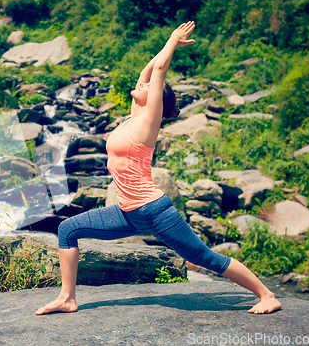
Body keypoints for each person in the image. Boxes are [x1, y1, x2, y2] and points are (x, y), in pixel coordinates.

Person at [35, 21, 282, 316]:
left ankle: (267, 295)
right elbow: (149, 72)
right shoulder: (132, 117)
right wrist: (161, 54)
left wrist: (172, 42)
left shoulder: (149, 122)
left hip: (153, 211)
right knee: (67, 229)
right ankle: (67, 298)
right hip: (126, 213)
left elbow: (160, 72)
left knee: (205, 257)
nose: (143, 83)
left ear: (157, 100)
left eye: (150, 86)